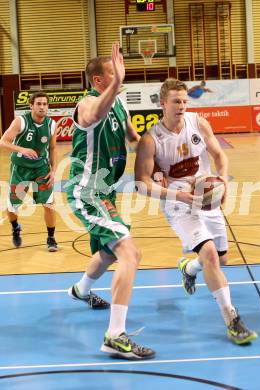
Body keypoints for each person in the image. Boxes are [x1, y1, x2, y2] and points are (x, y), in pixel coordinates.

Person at [135, 78, 258, 345]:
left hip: (206, 197)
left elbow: (218, 155)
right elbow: (142, 184)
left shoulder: (198, 123)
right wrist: (177, 194)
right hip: (178, 204)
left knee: (221, 260)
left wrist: (223, 179)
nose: (181, 106)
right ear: (162, 103)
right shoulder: (151, 139)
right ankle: (232, 320)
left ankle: (189, 268)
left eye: (184, 101)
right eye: (176, 101)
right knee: (211, 254)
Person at [66, 42, 155, 360]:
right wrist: (118, 83)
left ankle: (81, 290)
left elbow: (136, 140)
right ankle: (115, 336)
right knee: (130, 253)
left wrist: (161, 156)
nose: (118, 75)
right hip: (86, 190)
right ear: (98, 80)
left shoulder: (120, 105)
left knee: (108, 252)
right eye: (112, 73)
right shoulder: (86, 104)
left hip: (106, 192)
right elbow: (95, 114)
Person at [0, 91, 58, 251]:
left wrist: (54, 171)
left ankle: (51, 237)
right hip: (20, 169)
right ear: (31, 106)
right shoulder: (20, 121)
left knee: (49, 204)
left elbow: (53, 148)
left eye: (45, 104)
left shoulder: (52, 124)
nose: (42, 107)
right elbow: (3, 142)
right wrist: (22, 149)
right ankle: (15, 227)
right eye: (38, 104)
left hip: (41, 169)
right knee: (13, 206)